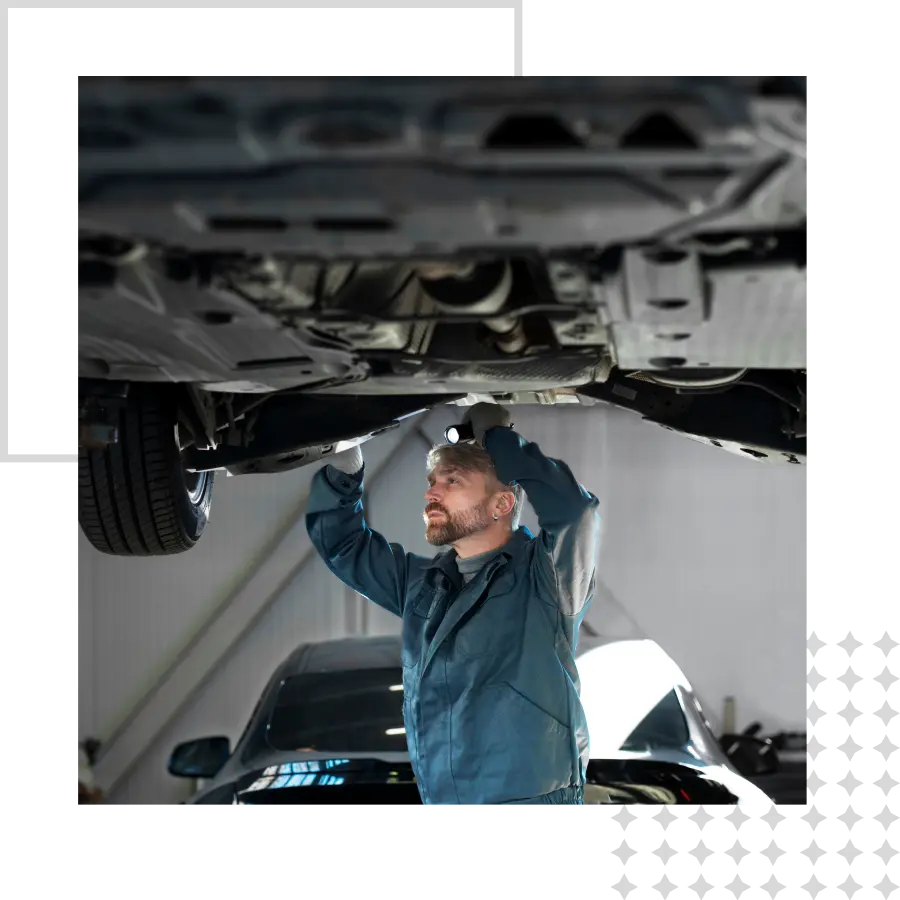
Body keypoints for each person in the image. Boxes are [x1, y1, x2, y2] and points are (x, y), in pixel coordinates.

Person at [306, 402, 601, 807]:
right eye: (432, 481)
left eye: (452, 481)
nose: (431, 492)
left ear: (502, 504)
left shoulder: (546, 579)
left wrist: (501, 440)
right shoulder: (423, 587)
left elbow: (574, 512)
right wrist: (344, 466)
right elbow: (344, 546)